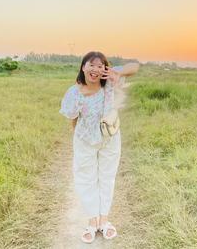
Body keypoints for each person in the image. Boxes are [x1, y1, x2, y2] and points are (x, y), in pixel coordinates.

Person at [59, 51, 139, 243]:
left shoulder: (109, 80)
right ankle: (92, 221)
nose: (95, 69)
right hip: (84, 140)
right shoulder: (74, 92)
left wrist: (117, 73)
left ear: (105, 68)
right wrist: (78, 139)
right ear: (83, 67)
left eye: (100, 66)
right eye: (91, 65)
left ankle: (104, 220)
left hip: (110, 138)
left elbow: (134, 66)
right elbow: (73, 119)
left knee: (107, 177)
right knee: (86, 179)